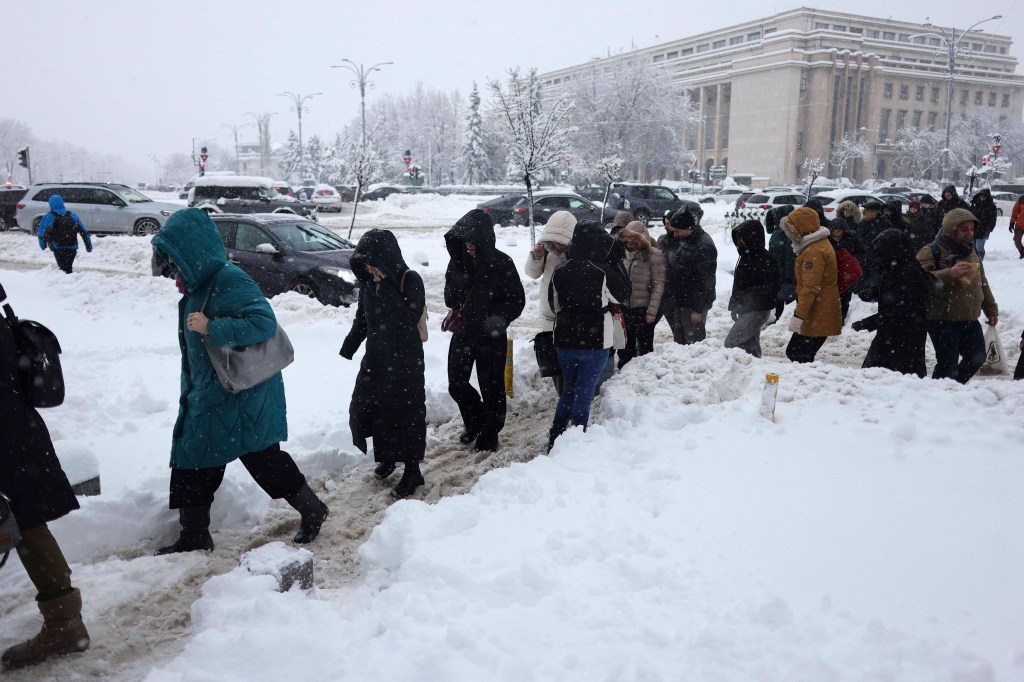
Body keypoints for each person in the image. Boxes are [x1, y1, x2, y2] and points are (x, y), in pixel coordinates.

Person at [150, 209, 329, 554]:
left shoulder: (228, 279)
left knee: (264, 461)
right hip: (211, 393)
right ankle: (194, 534)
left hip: (246, 394)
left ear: (191, 250)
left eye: (173, 255)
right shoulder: (197, 285)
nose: (170, 264)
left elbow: (263, 323)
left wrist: (212, 328)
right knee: (193, 459)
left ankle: (312, 508)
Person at [0, 283, 90, 670]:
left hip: (8, 436)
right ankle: (66, 624)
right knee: (26, 521)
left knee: (23, 521)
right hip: (15, 433)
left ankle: (66, 625)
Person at [340, 230, 427, 498]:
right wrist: (349, 346)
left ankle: (413, 471)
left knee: (407, 413)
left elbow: (405, 320)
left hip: (405, 360)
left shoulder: (409, 279)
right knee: (373, 407)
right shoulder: (368, 283)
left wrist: (387, 287)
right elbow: (362, 319)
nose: (368, 268)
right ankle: (388, 456)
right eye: (364, 263)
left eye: (372, 262)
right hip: (376, 357)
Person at [444, 209, 525, 453]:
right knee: (456, 383)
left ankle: (490, 431)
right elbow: (449, 297)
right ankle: (475, 421)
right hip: (464, 333)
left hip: (492, 336)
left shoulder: (502, 262)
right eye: (464, 239)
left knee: (492, 388)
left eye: (472, 239)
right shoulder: (457, 261)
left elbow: (516, 300)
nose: (468, 244)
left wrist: (496, 320)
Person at [547, 222, 631, 451]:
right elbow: (622, 296)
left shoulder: (561, 269)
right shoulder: (603, 270)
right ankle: (576, 440)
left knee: (569, 390)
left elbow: (553, 305)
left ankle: (556, 434)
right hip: (595, 341)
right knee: (584, 392)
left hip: (564, 339)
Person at [917, 207, 999, 384]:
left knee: (977, 358)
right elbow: (919, 281)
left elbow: (982, 281)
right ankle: (939, 394)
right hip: (943, 318)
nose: (969, 234)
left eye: (971, 229)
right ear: (951, 229)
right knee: (948, 365)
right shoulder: (931, 251)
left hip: (969, 316)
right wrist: (949, 273)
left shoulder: (971, 251)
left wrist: (991, 308)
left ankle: (954, 389)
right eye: (963, 229)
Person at [851, 229, 928, 377]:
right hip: (891, 334)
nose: (879, 256)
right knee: (876, 376)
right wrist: (873, 292)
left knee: (887, 378)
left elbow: (901, 310)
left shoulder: (909, 271)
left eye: (881, 251)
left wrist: (868, 323)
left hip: (905, 338)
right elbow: (893, 290)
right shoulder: (895, 265)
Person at [779, 206, 842, 363]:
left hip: (817, 312)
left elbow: (810, 288)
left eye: (791, 230)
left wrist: (798, 316)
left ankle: (807, 384)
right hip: (818, 310)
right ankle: (806, 382)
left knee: (797, 353)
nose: (789, 235)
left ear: (801, 228)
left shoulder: (813, 252)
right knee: (799, 354)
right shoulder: (817, 244)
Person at [524, 210, 576, 394]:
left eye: (561, 242)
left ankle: (568, 397)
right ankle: (563, 396)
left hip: (570, 317)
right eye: (554, 241)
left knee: (569, 361)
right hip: (549, 317)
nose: (558, 245)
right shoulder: (547, 253)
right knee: (554, 362)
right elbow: (532, 273)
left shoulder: (577, 254)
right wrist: (536, 256)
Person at [662, 207, 717, 344]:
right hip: (682, 301)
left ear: (688, 227)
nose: (674, 235)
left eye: (677, 231)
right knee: (680, 340)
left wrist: (697, 310)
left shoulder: (704, 246)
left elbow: (706, 282)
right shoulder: (687, 239)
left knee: (694, 343)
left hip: (693, 304)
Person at [726, 219, 779, 357]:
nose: (739, 242)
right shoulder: (745, 256)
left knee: (731, 343)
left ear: (752, 237)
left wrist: (750, 299)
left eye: (742, 238)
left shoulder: (766, 259)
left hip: (758, 310)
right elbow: (738, 285)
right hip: (746, 308)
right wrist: (735, 306)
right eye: (737, 238)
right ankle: (754, 370)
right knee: (750, 344)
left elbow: (771, 288)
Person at [616, 220, 665, 367]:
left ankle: (644, 374)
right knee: (625, 346)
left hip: (643, 308)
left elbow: (658, 285)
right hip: (624, 307)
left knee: (644, 347)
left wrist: (652, 312)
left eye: (634, 242)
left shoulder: (653, 256)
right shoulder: (621, 254)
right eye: (628, 241)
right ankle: (624, 373)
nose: (630, 245)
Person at [36, 195, 92, 274]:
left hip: (58, 248)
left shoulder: (48, 217)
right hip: (72, 247)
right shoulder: (72, 215)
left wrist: (43, 246)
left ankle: (66, 283)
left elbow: (41, 233)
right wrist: (88, 246)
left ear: (50, 204)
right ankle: (68, 281)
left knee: (64, 269)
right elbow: (84, 231)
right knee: (68, 268)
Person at [826, 217, 864, 323]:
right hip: (831, 273)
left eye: (839, 231)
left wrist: (854, 260)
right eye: (834, 231)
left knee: (845, 297)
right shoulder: (826, 239)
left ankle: (841, 319)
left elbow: (861, 252)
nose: (836, 234)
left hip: (848, 272)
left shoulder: (852, 237)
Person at [855, 201, 893, 302]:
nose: (863, 213)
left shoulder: (885, 224)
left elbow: (886, 245)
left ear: (874, 212)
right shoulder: (864, 222)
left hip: (876, 262)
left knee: (873, 286)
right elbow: (859, 239)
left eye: (866, 211)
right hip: (864, 260)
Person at [765, 204, 796, 322]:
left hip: (783, 274)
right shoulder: (780, 232)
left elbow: (789, 257)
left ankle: (782, 320)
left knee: (785, 299)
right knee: (782, 298)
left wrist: (788, 276)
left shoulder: (784, 233)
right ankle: (781, 320)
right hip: (780, 273)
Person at [969, 189, 997, 259]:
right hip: (973, 228)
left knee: (979, 247)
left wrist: (989, 228)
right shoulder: (975, 204)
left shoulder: (991, 206)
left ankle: (980, 259)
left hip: (983, 229)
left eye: (984, 196)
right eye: (981, 196)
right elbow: (969, 214)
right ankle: (974, 259)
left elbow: (993, 219)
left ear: (987, 197)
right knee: (973, 246)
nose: (982, 198)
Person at [1010, 194, 1024, 259]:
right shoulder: (1021, 199)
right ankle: (1022, 252)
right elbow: (1015, 211)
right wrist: (1012, 223)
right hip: (1020, 224)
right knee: (1017, 240)